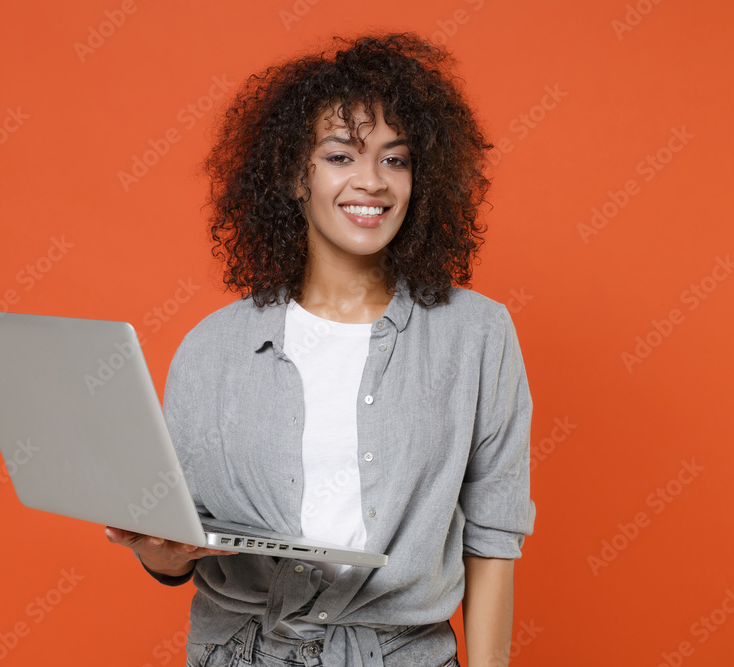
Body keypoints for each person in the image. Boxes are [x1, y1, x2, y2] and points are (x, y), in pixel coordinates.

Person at [106, 32, 535, 667]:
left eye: (396, 159)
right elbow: (180, 538)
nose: (373, 182)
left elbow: (493, 534)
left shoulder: (476, 336)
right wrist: (159, 555)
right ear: (292, 174)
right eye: (341, 156)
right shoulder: (210, 349)